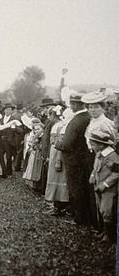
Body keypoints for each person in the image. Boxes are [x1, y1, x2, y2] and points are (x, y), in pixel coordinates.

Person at [55, 93, 95, 226]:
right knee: (85, 187)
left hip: (73, 160)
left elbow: (66, 144)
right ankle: (88, 217)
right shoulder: (88, 117)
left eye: (72, 103)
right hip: (85, 159)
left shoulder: (76, 120)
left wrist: (57, 143)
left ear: (76, 104)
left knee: (75, 188)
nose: (71, 106)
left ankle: (79, 218)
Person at [89, 130, 118, 248]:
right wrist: (92, 175)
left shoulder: (112, 156)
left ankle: (109, 235)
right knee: (100, 208)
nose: (92, 147)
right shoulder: (99, 153)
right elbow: (96, 167)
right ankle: (102, 231)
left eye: (93, 144)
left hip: (108, 188)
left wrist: (105, 184)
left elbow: (116, 173)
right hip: (98, 185)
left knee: (107, 210)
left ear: (101, 144)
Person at [44, 106, 69, 215]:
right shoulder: (61, 125)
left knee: (57, 177)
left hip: (57, 153)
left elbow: (54, 142)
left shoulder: (58, 126)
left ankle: (58, 206)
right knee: (59, 178)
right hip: (57, 152)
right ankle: (59, 204)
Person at [0, 103, 15, 177]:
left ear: (11, 111)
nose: (8, 111)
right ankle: (3, 172)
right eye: (7, 110)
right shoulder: (1, 119)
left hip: (9, 140)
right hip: (1, 139)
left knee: (9, 156)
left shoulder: (13, 119)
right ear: (4, 111)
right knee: (1, 155)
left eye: (10, 110)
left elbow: (16, 130)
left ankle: (9, 172)